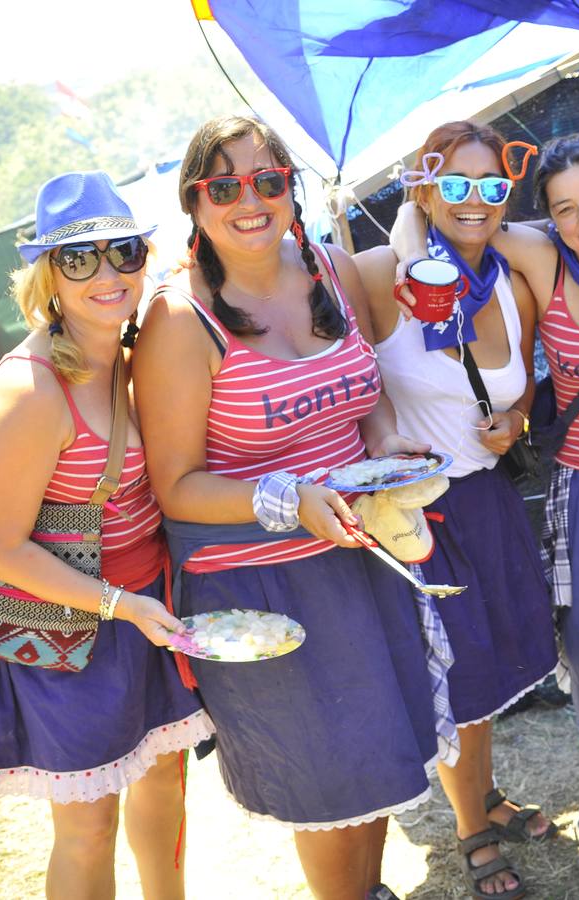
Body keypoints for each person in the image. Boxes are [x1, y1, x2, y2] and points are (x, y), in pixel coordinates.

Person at [132, 115, 440, 900]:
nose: (251, 200)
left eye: (269, 180)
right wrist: (288, 499)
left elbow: (359, 402)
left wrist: (388, 451)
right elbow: (177, 484)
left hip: (360, 557)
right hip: (263, 591)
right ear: (194, 203)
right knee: (324, 782)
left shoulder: (331, 268)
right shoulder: (179, 319)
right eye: (225, 185)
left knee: (374, 754)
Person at [389, 132, 579, 848]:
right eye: (564, 208)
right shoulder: (540, 260)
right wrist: (414, 232)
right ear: (547, 220)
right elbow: (451, 220)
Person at [0, 171, 211, 899]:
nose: (106, 274)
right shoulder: (28, 391)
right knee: (86, 825)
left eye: (123, 252)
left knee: (164, 784)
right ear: (48, 275)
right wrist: (120, 605)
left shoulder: (130, 357)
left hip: (145, 610)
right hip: (68, 628)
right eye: (79, 259)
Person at [356, 120, 558, 899]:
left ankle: (486, 796)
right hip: (417, 515)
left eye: (491, 185)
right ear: (425, 184)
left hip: (487, 500)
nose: (475, 202)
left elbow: (523, 386)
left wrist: (516, 422)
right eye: (458, 184)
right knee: (458, 676)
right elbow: (331, 357)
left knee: (495, 660)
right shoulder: (379, 274)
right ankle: (471, 832)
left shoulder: (510, 280)